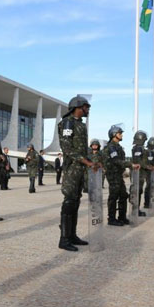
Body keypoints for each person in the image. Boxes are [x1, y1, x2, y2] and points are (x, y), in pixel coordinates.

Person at [57, 95, 95, 251]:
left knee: (76, 202)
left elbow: (81, 148)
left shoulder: (80, 125)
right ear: (78, 108)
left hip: (80, 168)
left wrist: (91, 161)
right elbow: (67, 148)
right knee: (69, 201)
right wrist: (85, 161)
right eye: (86, 107)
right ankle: (64, 239)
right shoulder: (67, 123)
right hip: (72, 168)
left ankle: (72, 235)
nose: (88, 110)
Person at [103, 125, 140, 226]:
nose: (121, 135)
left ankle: (122, 217)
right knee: (113, 196)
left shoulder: (118, 147)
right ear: (114, 135)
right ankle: (111, 219)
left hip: (118, 175)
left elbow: (121, 160)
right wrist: (130, 164)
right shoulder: (111, 147)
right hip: (113, 174)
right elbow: (116, 161)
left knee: (123, 195)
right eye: (120, 133)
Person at [131, 130, 150, 217]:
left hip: (141, 173)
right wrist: (147, 167)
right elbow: (138, 160)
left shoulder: (140, 148)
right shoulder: (138, 148)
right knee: (137, 191)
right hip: (138, 173)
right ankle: (135, 210)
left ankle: (136, 209)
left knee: (139, 191)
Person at [144, 137, 154, 208]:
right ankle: (147, 203)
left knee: (151, 187)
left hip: (153, 172)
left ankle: (150, 202)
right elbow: (147, 162)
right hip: (148, 172)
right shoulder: (147, 152)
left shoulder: (153, 152)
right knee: (149, 187)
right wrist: (150, 167)